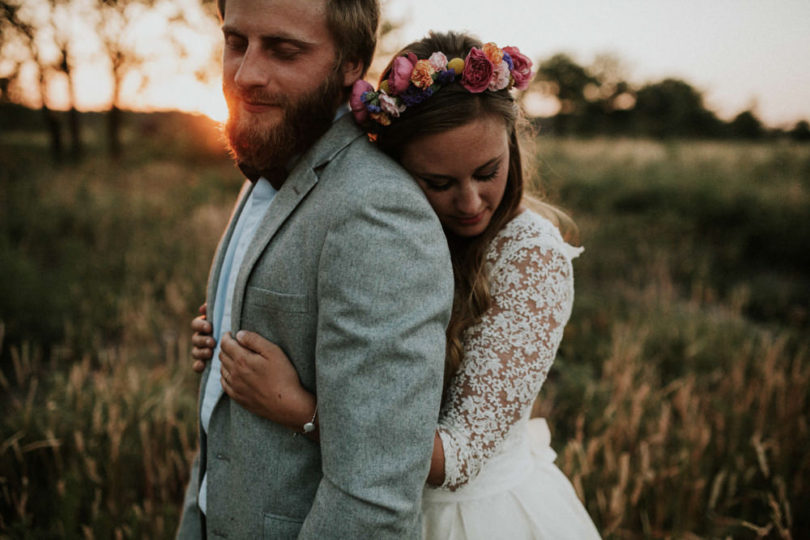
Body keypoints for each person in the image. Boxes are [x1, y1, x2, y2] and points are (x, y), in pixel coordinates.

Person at [192, 31, 602, 539]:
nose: (471, 202)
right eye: (439, 183)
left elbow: (459, 458)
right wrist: (230, 339)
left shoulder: (530, 256)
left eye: (487, 172)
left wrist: (297, 408)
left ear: (513, 145)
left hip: (468, 518)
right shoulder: (383, 226)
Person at [176, 0, 454, 537]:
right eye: (236, 43)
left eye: (283, 50)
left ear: (352, 62)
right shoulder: (269, 158)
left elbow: (372, 498)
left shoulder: (376, 211)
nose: (245, 74)